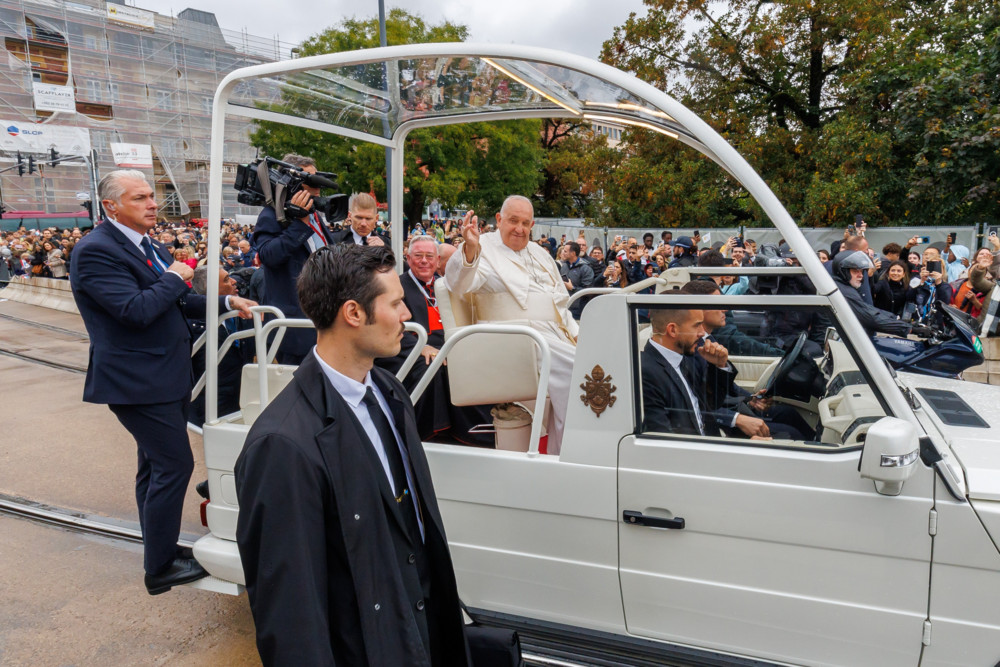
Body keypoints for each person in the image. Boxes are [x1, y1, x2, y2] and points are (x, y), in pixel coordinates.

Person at [235, 244, 471, 666]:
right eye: (396, 303)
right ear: (353, 313)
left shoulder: (388, 390)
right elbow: (292, 617)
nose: (406, 316)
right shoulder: (282, 445)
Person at [70, 170, 255, 595]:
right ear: (111, 206)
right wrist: (177, 274)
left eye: (152, 195)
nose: (153, 203)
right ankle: (160, 568)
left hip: (165, 374)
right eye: (140, 198)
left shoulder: (146, 243)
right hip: (136, 380)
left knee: (154, 467)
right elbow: (135, 310)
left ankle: (162, 549)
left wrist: (227, 301)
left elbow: (176, 300)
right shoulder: (95, 251)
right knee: (175, 465)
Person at [444, 195, 576, 452]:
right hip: (512, 334)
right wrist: (470, 249)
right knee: (579, 367)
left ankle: (565, 447)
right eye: (513, 221)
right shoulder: (483, 247)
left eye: (526, 223)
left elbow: (559, 301)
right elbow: (459, 284)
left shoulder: (540, 253)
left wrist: (575, 332)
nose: (520, 228)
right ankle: (568, 452)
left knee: (596, 357)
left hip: (550, 332)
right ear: (499, 219)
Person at [376, 235, 491, 443]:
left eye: (429, 256)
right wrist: (421, 347)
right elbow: (390, 326)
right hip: (411, 347)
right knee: (433, 366)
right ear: (408, 258)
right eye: (418, 256)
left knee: (476, 363)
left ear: (438, 261)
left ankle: (478, 430)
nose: (424, 261)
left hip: (449, 346)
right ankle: (436, 433)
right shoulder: (397, 287)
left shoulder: (447, 286)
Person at [253, 153, 337, 364]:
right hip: (295, 328)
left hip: (324, 320)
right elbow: (268, 255)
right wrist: (300, 224)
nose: (317, 186)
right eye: (310, 180)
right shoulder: (272, 213)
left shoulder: (315, 213)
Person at [640, 306, 722, 436]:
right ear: (672, 330)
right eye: (697, 326)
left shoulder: (685, 358)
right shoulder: (646, 373)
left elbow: (713, 404)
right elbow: (663, 440)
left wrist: (719, 365)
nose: (702, 333)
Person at [832, 251, 923, 338]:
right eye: (855, 271)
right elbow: (869, 317)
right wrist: (910, 329)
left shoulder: (845, 287)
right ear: (843, 271)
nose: (861, 275)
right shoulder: (845, 291)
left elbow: (868, 309)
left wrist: (896, 319)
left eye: (861, 271)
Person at [559, 241, 595, 320]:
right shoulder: (564, 266)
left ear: (573, 253)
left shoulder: (586, 269)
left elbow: (589, 291)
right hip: (565, 307)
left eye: (565, 251)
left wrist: (573, 288)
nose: (563, 253)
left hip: (579, 311)